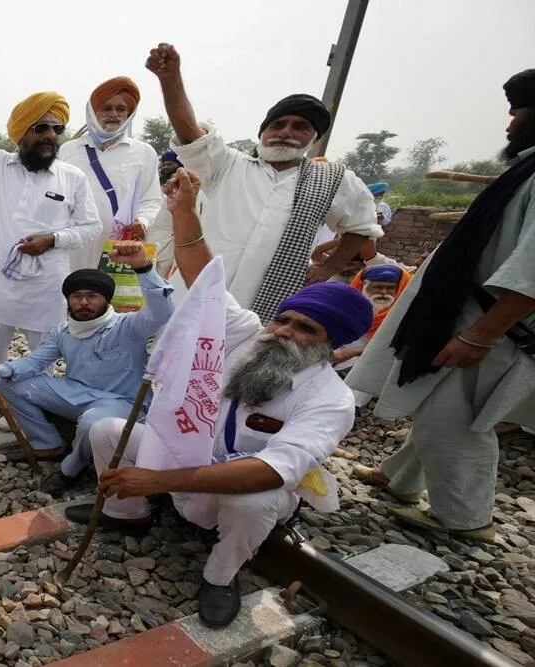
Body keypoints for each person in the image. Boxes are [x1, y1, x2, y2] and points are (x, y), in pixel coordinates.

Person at [81, 168, 371, 628]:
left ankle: (220, 575)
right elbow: (205, 278)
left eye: (305, 329)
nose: (284, 332)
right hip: (187, 459)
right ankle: (127, 514)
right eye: (283, 320)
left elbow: (270, 471)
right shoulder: (249, 335)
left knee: (255, 501)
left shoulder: (331, 399)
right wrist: (184, 211)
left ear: (330, 343)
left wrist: (156, 480)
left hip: (235, 487)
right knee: (106, 431)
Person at [347, 69, 535, 542]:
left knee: (456, 416)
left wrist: (482, 334)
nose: (509, 124)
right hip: (469, 311)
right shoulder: (528, 169)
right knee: (437, 398)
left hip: (492, 323)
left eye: (517, 112)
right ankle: (401, 478)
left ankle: (466, 518)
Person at [146, 43, 381, 321]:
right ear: (263, 133)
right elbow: (189, 132)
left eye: (300, 127)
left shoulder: (332, 180)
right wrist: (170, 79)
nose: (286, 132)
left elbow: (361, 227)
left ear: (314, 138)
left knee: (247, 348)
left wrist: (328, 268)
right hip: (194, 292)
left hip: (264, 306)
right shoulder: (227, 165)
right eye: (277, 125)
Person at [0, 22, 103, 419]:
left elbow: (92, 228)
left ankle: (31, 406)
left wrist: (53, 239)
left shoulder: (72, 177)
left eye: (56, 129)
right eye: (41, 127)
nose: (50, 135)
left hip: (45, 285)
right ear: (21, 132)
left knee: (42, 352)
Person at [0, 258, 173, 479]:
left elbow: (162, 311)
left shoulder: (128, 326)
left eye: (92, 296)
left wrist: (143, 269)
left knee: (91, 422)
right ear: (68, 300)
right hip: (75, 393)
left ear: (106, 299)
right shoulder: (63, 331)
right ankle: (48, 445)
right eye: (76, 296)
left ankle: (70, 469)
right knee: (6, 383)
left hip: (121, 402)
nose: (84, 302)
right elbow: (34, 362)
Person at [60, 76, 162, 271]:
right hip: (77, 248)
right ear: (93, 112)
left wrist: (143, 222)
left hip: (124, 247)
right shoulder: (68, 150)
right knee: (78, 289)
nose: (114, 114)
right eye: (106, 108)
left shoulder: (144, 152)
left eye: (121, 109)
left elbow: (151, 200)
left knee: (122, 291)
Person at [331, 264, 411, 371]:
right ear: (364, 285)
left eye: (390, 288)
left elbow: (400, 346)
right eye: (378, 287)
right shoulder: (346, 305)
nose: (384, 292)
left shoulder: (405, 313)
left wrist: (354, 352)